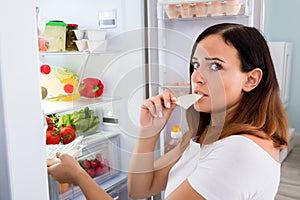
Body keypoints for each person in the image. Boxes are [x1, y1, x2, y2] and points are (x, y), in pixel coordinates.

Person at [48, 23, 289, 200]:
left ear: (251, 80)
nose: (197, 78)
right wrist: (149, 132)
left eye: (215, 66)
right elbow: (141, 189)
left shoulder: (238, 151)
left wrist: (80, 177)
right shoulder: (207, 135)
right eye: (196, 65)